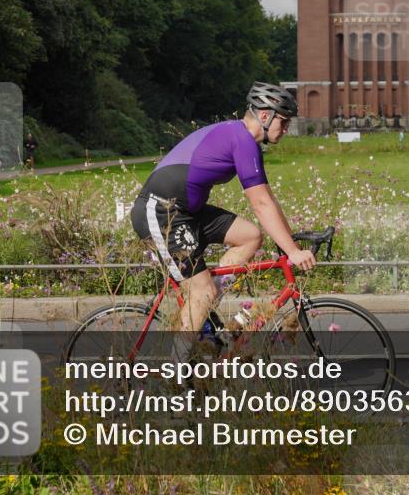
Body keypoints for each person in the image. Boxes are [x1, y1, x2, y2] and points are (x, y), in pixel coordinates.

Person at [130, 82, 316, 343]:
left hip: (186, 212)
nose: (286, 129)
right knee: (202, 291)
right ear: (265, 116)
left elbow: (269, 200)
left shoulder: (242, 139)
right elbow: (260, 204)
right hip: (161, 211)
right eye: (283, 122)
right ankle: (175, 377)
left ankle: (206, 311)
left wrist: (289, 244)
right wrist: (294, 253)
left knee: (250, 235)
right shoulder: (242, 140)